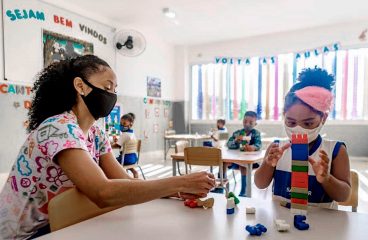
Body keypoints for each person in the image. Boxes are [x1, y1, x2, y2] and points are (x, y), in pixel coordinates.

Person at [0, 55, 215, 239]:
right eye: (107, 87)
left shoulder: (95, 133)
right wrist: (178, 181)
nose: (112, 95)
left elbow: (124, 182)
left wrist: (175, 191)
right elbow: (102, 191)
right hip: (28, 234)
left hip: (63, 226)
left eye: (115, 89)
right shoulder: (57, 127)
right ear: (80, 86)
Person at [254, 67, 351, 208]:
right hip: (282, 222)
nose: (298, 129)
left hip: (323, 226)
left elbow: (344, 196)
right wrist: (268, 165)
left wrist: (326, 178)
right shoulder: (276, 148)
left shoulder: (335, 151)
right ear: (284, 116)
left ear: (323, 118)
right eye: (291, 122)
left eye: (308, 123)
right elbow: (260, 184)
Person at [227, 111, 261, 196]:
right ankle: (221, 186)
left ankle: (244, 190)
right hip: (236, 160)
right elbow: (228, 144)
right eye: (245, 121)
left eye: (250, 122)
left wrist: (252, 147)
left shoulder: (256, 134)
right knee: (224, 162)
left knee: (243, 166)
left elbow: (258, 144)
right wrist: (235, 141)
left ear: (255, 124)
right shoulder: (237, 133)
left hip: (250, 161)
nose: (247, 124)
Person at [112, 113, 139, 178]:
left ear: (130, 124)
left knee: (111, 162)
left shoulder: (124, 135)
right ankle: (134, 171)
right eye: (120, 123)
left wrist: (109, 145)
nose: (121, 125)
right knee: (124, 161)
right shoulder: (132, 134)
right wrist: (118, 141)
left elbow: (117, 146)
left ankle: (121, 177)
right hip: (134, 159)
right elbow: (124, 144)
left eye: (124, 124)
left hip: (125, 159)